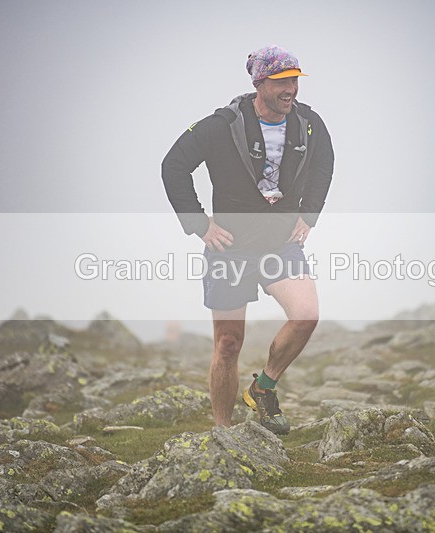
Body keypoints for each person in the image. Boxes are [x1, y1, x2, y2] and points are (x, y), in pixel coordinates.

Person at [161, 45, 334, 435]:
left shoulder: (309, 123)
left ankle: (263, 387)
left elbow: (324, 163)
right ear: (260, 83)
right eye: (281, 82)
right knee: (227, 345)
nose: (291, 89)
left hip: (279, 245)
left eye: (294, 81)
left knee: (305, 315)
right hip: (230, 248)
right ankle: (224, 434)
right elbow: (173, 166)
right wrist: (199, 224)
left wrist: (310, 214)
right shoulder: (220, 125)